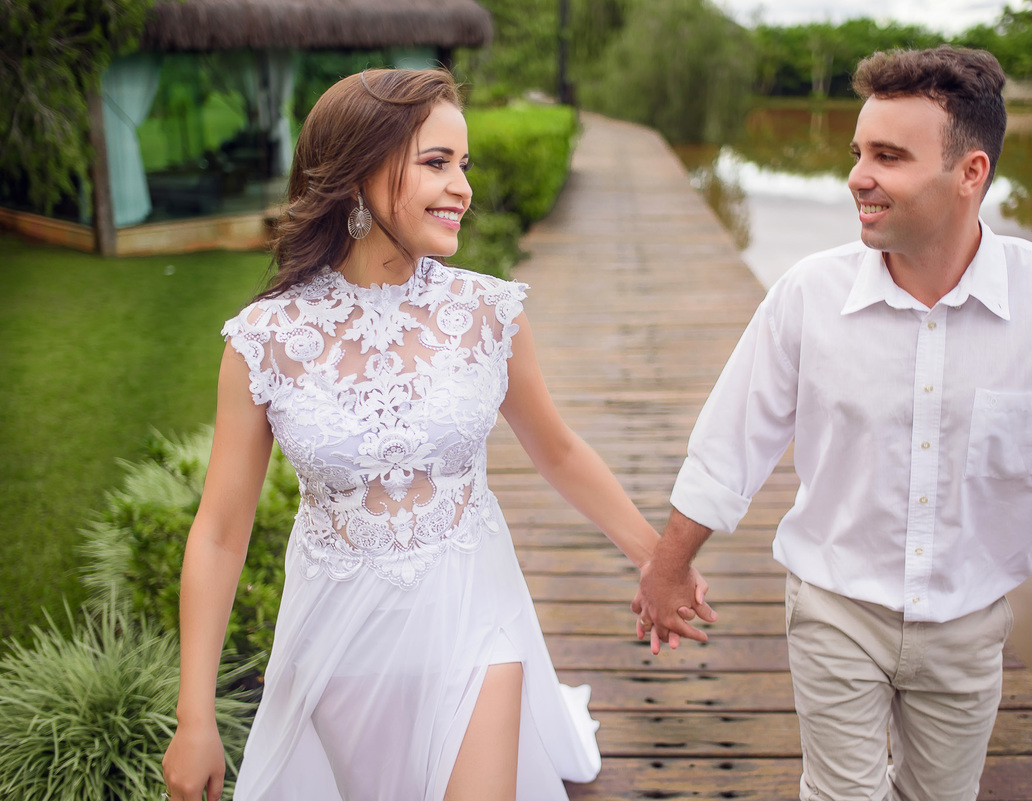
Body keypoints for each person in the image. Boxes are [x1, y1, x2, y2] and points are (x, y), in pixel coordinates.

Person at [161, 68, 712, 801]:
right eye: (436, 163)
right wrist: (194, 715)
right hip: (337, 638)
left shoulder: (488, 311)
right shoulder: (265, 339)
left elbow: (558, 449)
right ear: (358, 174)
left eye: (464, 164)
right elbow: (221, 531)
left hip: (474, 613)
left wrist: (658, 559)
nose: (463, 186)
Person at [632, 45, 1032, 801]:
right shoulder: (807, 296)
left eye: (888, 156)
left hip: (971, 621)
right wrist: (668, 564)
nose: (857, 177)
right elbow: (729, 444)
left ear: (970, 172)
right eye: (858, 152)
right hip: (835, 604)